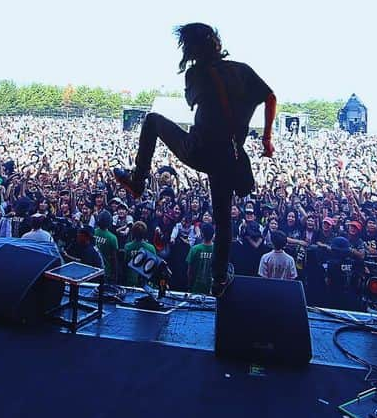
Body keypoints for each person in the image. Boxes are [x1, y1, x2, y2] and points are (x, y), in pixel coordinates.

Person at [114, 23, 275, 296]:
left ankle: (138, 181)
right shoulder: (243, 70)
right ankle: (219, 279)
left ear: (189, 49)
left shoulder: (196, 74)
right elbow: (270, 97)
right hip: (230, 157)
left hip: (198, 149)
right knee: (223, 219)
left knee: (152, 121)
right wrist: (266, 139)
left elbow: (194, 103)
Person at [186, 222, 216, 295]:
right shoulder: (217, 249)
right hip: (213, 288)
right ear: (213, 234)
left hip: (196, 287)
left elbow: (189, 271)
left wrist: (189, 285)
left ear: (202, 234)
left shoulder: (194, 249)